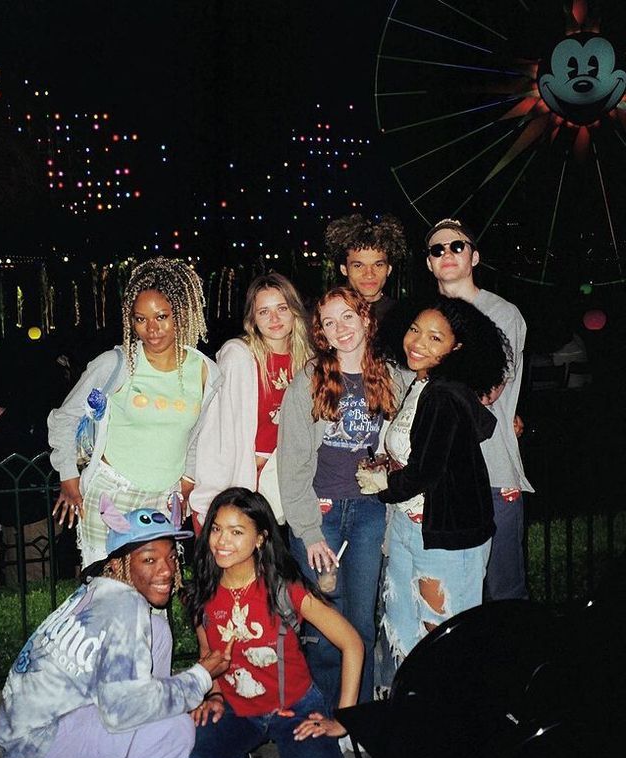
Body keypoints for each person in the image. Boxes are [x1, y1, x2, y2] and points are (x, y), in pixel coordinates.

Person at [0, 497, 233, 758]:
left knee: (159, 638)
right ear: (120, 564)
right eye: (149, 560)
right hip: (36, 749)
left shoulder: (100, 591)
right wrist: (201, 678)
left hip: (27, 731)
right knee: (175, 735)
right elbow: (125, 712)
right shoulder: (126, 609)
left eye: (171, 557)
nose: (167, 570)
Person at [175, 487, 362, 758]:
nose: (221, 541)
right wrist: (214, 695)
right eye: (216, 529)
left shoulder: (284, 588)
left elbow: (352, 642)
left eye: (236, 532)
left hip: (295, 706)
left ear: (260, 538)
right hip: (236, 707)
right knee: (178, 756)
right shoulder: (203, 590)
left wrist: (343, 721)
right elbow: (209, 653)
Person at [359, 297, 510, 684]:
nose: (417, 342)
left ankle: (454, 732)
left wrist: (383, 485)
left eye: (434, 337)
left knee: (441, 638)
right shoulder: (422, 382)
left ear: (456, 348)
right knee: (401, 629)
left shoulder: (444, 393)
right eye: (415, 330)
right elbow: (417, 451)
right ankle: (409, 724)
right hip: (412, 528)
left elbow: (426, 471)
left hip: (447, 538)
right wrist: (385, 468)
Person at [48, 257, 222, 569]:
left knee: (156, 590)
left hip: (163, 499)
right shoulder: (115, 364)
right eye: (140, 319)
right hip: (110, 495)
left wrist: (186, 480)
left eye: (162, 317)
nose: (151, 329)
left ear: (181, 314)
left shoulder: (205, 371)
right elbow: (65, 416)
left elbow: (197, 436)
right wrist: (69, 477)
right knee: (106, 589)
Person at [277, 287, 397, 707]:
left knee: (361, 621)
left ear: (366, 319)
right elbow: (291, 464)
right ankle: (325, 716)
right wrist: (308, 531)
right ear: (320, 333)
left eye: (348, 317)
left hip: (369, 514)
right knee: (325, 626)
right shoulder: (309, 380)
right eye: (328, 322)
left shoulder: (392, 376)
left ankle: (357, 717)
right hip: (321, 513)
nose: (340, 329)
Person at [425, 219, 534, 600]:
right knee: (449, 591)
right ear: (429, 264)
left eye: (457, 246)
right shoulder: (426, 319)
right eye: (438, 249)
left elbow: (486, 390)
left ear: (474, 256)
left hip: (492, 471)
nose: (448, 254)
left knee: (504, 588)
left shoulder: (502, 313)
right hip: (439, 476)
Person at [191, 272, 311, 527]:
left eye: (282, 308)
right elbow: (217, 430)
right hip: (240, 479)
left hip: (285, 482)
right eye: (264, 311)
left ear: (295, 311)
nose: (275, 318)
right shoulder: (239, 356)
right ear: (252, 318)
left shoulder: (308, 360)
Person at [0, 385, 53, 584]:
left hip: (28, 519)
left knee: (33, 580)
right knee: (16, 577)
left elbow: (7, 480)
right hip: (18, 517)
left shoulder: (10, 432)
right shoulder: (9, 429)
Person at [324, 212, 408, 326]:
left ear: (389, 269)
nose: (369, 274)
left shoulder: (404, 317)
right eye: (358, 266)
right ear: (344, 269)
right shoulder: (327, 314)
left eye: (378, 265)